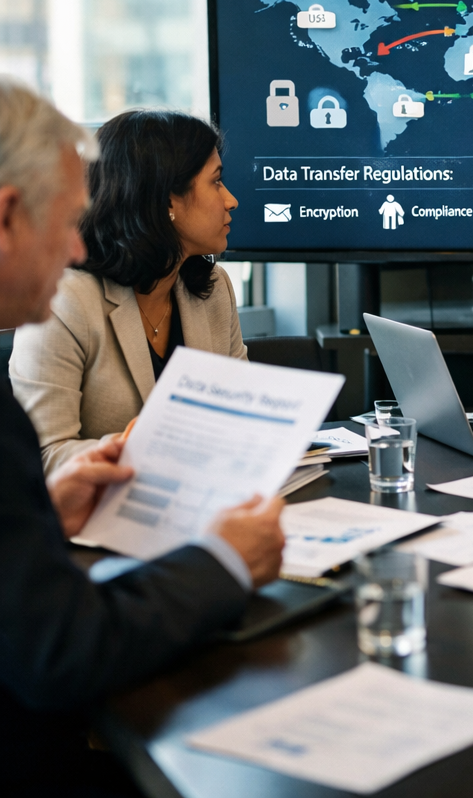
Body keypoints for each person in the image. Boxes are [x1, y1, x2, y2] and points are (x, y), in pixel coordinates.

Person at [0, 78, 284, 793]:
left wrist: (52, 503)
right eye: (65, 221)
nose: (74, 247)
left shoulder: (208, 288)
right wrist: (223, 559)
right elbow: (60, 649)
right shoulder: (70, 300)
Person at [10, 108, 247, 474]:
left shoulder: (214, 290)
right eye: (216, 182)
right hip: (97, 520)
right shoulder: (64, 302)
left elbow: (242, 416)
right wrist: (141, 449)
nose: (230, 199)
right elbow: (41, 455)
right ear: (168, 200)